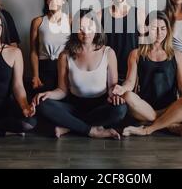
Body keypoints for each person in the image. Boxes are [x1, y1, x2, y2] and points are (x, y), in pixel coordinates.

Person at [32, 9, 127, 139]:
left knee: (120, 109)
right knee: (42, 103)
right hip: (74, 108)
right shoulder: (65, 55)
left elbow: (112, 86)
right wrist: (48, 94)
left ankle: (69, 127)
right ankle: (91, 130)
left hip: (100, 106)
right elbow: (62, 90)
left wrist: (115, 96)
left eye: (89, 27)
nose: (85, 32)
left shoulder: (108, 53)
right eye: (80, 28)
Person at [112, 11, 182, 137]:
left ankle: (148, 128)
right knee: (127, 96)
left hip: (170, 108)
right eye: (155, 29)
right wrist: (122, 88)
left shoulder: (177, 55)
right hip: (144, 108)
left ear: (168, 30)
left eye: (163, 28)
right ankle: (167, 124)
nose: (159, 33)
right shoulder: (136, 54)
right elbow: (130, 82)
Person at [99, 0, 146, 83]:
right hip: (107, 72)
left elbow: (144, 47)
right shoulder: (100, 15)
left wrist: (140, 73)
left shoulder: (139, 13)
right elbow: (97, 47)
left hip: (132, 71)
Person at [29, 0, 71, 94]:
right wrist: (35, 75)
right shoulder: (38, 22)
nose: (54, 0)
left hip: (67, 68)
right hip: (45, 69)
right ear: (46, 1)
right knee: (44, 101)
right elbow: (34, 51)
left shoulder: (71, 21)